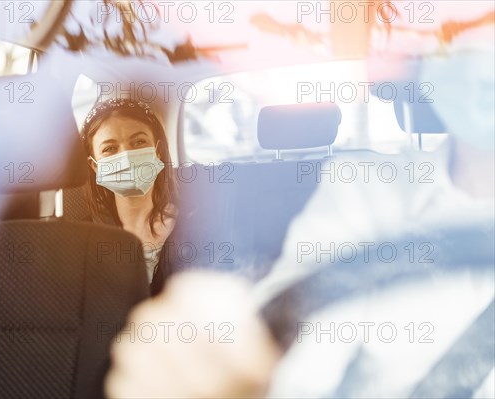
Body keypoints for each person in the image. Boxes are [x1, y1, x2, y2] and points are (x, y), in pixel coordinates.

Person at [103, 47, 494, 398]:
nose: (484, 49)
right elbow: (299, 346)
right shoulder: (364, 190)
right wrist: (223, 363)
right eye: (466, 22)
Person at [81, 98, 178, 295]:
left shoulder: (196, 226)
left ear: (158, 151)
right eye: (109, 149)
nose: (126, 157)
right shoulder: (83, 239)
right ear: (94, 165)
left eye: (138, 142)